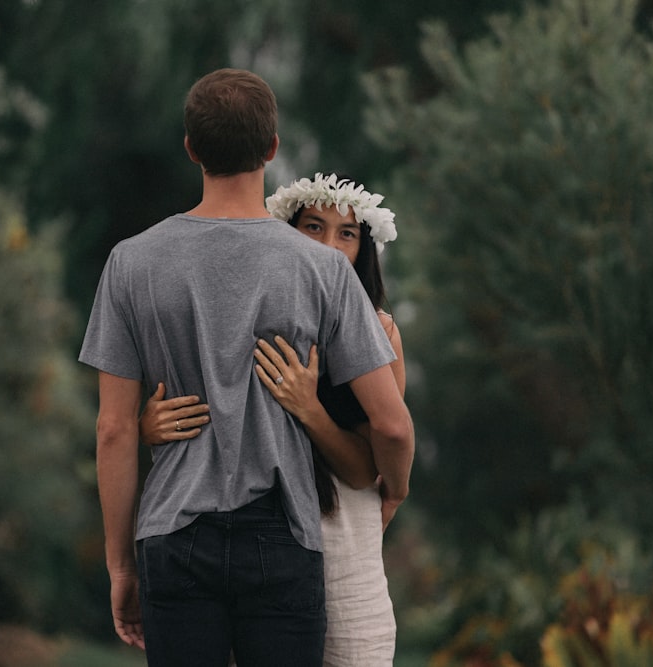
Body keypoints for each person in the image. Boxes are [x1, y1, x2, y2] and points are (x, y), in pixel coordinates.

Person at [79, 69, 414, 667]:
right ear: (272, 149)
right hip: (281, 538)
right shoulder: (324, 271)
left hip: (172, 536)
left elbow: (112, 430)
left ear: (191, 149)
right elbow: (391, 426)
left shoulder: (130, 263)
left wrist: (121, 568)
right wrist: (394, 490)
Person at [140, 172, 408, 666]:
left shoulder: (380, 331)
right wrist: (149, 425)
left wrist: (393, 484)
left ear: (365, 247)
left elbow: (378, 452)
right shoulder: (261, 317)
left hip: (344, 532)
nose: (330, 245)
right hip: (266, 527)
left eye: (346, 234)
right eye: (314, 228)